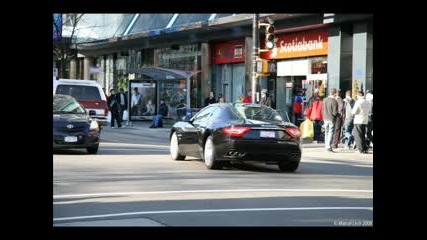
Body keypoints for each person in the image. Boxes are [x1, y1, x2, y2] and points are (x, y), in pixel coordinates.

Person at [322, 88, 338, 152]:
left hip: (325, 118)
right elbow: (334, 112)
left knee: (326, 132)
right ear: (334, 93)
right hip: (331, 118)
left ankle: (326, 145)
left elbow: (322, 109)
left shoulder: (324, 100)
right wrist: (337, 115)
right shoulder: (334, 101)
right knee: (331, 132)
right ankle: (328, 146)